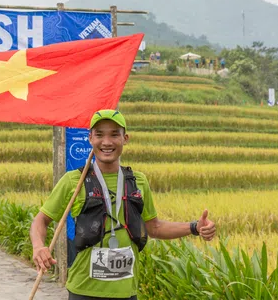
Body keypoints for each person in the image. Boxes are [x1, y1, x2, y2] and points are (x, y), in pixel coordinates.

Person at [30, 109, 216, 300]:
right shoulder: (74, 181)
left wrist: (194, 227)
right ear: (90, 138)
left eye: (114, 134)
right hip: (83, 291)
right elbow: (40, 221)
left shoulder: (138, 181)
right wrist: (38, 247)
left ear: (125, 138)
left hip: (126, 293)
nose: (107, 142)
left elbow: (155, 228)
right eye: (99, 135)